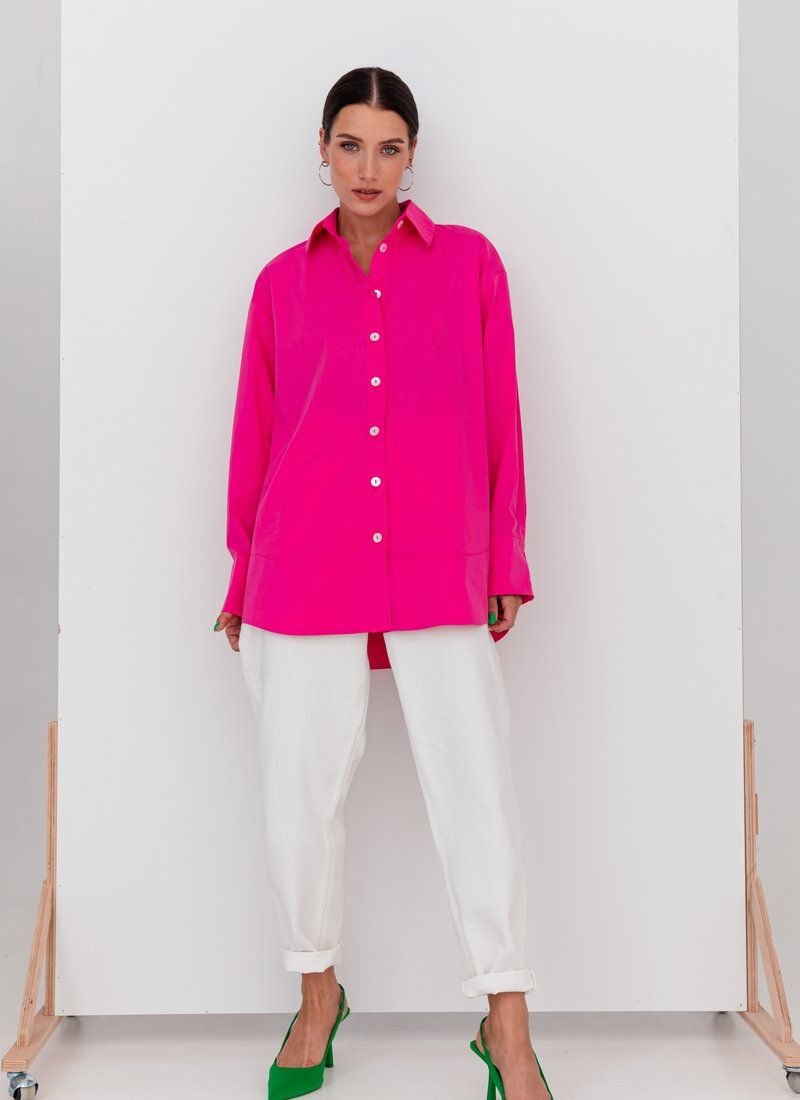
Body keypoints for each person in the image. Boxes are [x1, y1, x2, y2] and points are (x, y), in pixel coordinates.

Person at [214, 66, 554, 1100]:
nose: (368, 167)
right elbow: (256, 435)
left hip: (437, 563)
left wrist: (504, 557)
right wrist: (241, 576)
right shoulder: (280, 284)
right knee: (297, 794)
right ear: (322, 152)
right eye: (350, 144)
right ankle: (317, 993)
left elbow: (500, 418)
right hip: (300, 567)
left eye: (389, 146)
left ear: (413, 156)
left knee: (476, 786)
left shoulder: (470, 265)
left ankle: (506, 1021)